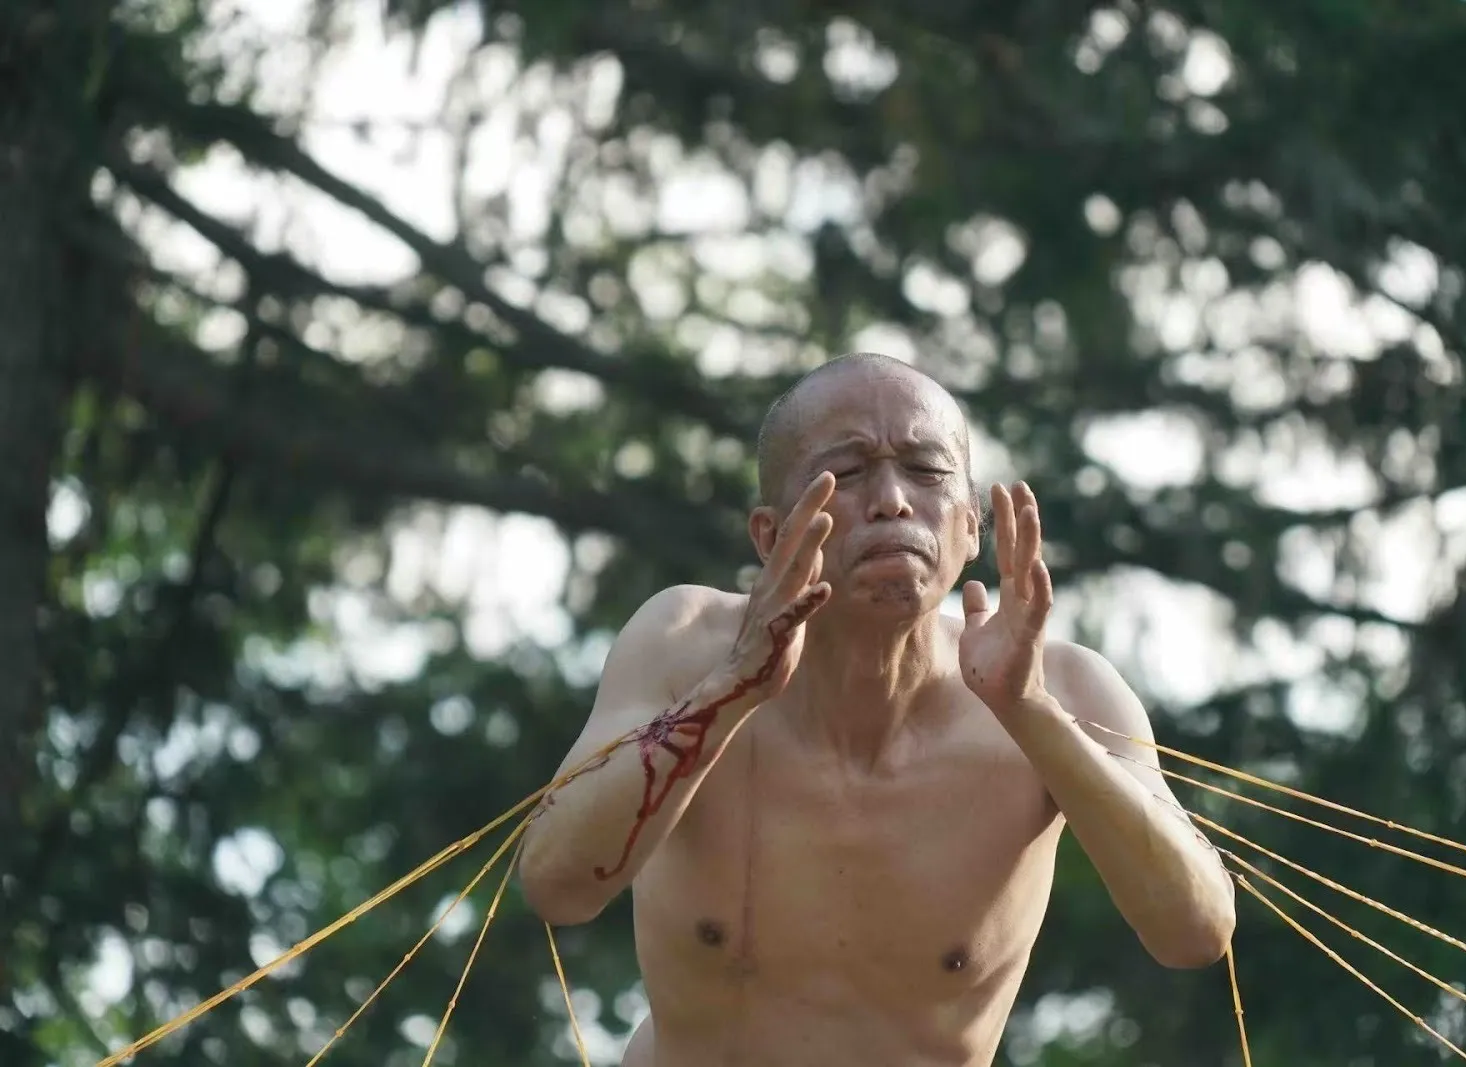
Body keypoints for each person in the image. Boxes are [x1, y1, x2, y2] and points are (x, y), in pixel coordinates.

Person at [516, 353, 1235, 1066]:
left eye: (926, 471)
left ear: (970, 527)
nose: (892, 499)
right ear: (770, 535)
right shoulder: (681, 645)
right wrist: (731, 690)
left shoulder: (1066, 689)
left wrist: (1030, 712)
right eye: (849, 473)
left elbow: (1196, 930)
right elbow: (556, 883)